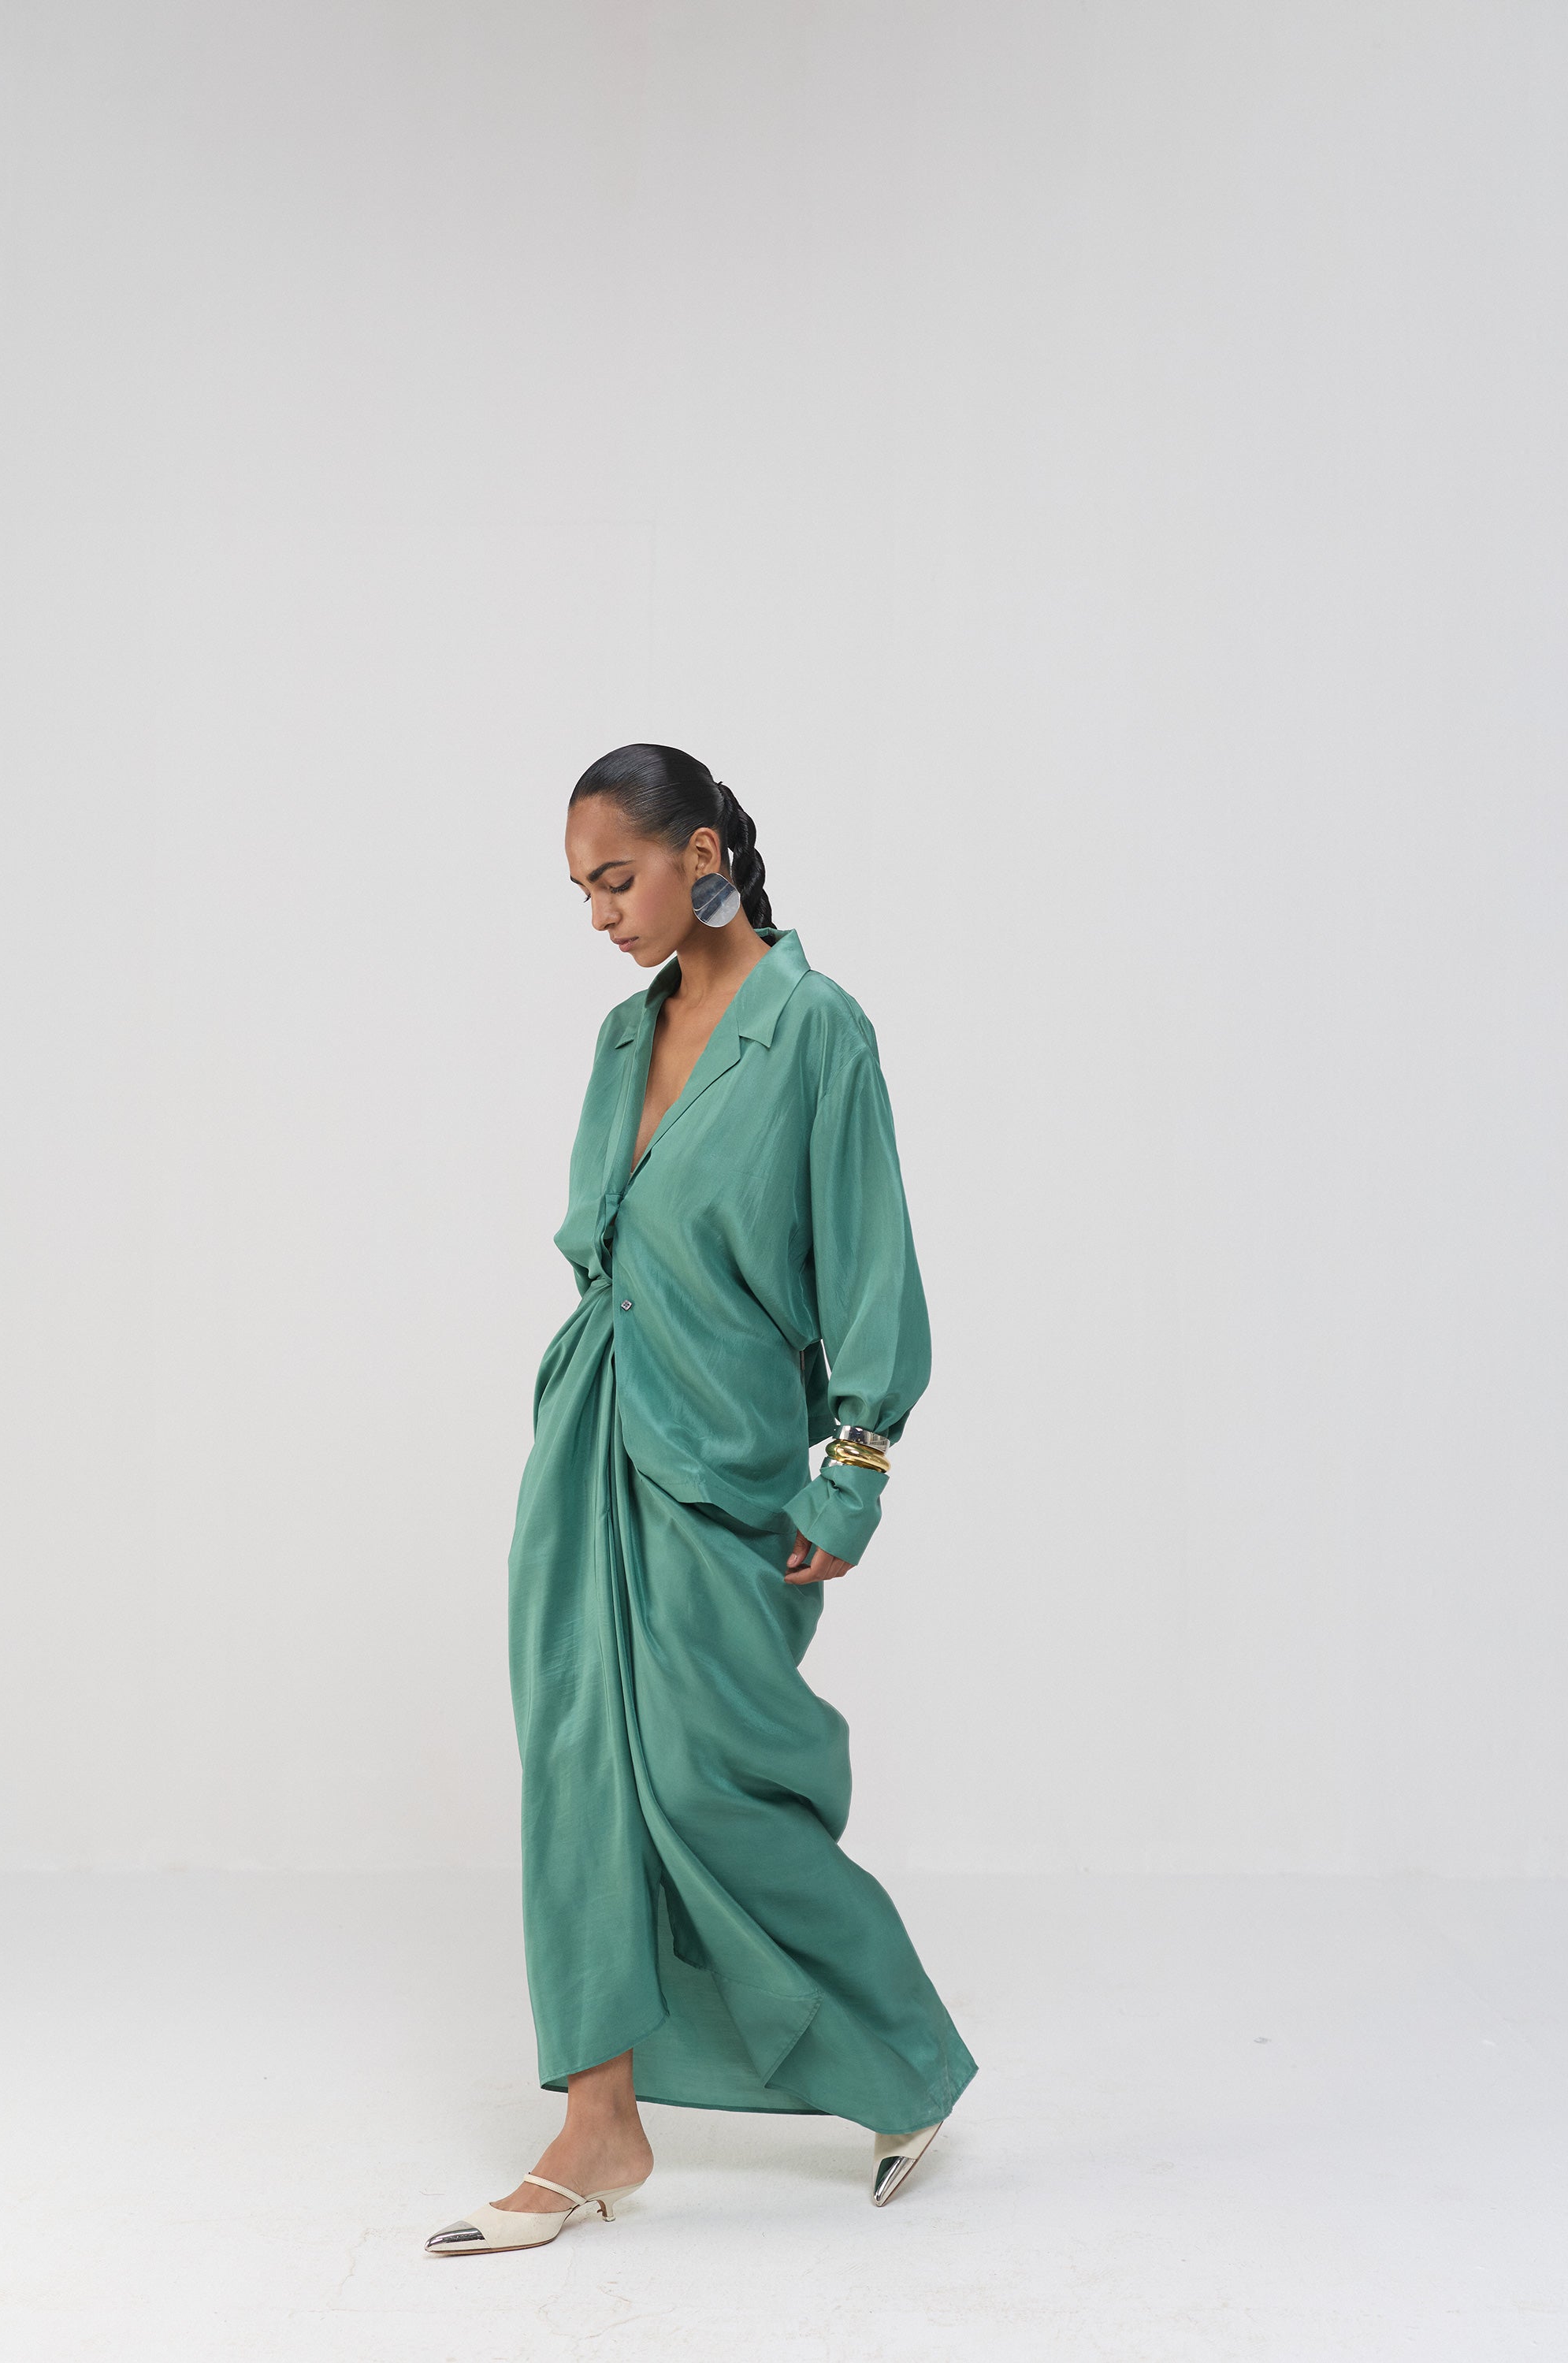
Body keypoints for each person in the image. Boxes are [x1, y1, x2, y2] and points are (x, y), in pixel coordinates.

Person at [426, 744, 977, 2256]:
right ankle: (598, 2121)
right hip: (592, 1438)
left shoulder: (816, 1029)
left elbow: (871, 1264)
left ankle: (907, 2061)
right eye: (584, 893)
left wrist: (854, 1474)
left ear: (706, 854)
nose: (604, 916)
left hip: (728, 1460)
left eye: (619, 879)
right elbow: (610, 1249)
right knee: (578, 1767)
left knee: (711, 1786)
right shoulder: (625, 1035)